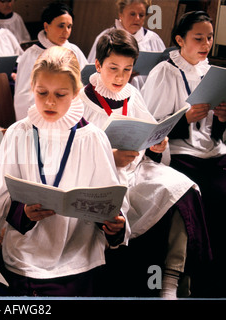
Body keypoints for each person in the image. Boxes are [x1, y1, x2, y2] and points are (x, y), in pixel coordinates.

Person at [0, 46, 130, 297]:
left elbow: (113, 200)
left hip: (79, 253)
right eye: (42, 93)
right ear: (32, 88)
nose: (49, 102)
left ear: (75, 93)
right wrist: (24, 212)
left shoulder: (93, 138)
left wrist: (114, 224)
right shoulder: (19, 133)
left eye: (60, 94)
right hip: (27, 253)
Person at [80, 28, 211, 299]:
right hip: (101, 174)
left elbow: (149, 130)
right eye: (113, 68)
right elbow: (73, 154)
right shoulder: (81, 102)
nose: (119, 77)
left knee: (184, 189)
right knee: (114, 203)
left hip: (137, 168)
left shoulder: (132, 94)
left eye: (127, 70)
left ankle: (171, 279)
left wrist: (156, 145)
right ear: (98, 65)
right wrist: (111, 156)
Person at [141, 11, 226, 297]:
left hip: (212, 152)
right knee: (202, 193)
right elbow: (151, 127)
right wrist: (184, 119)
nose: (206, 44)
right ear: (180, 40)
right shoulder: (165, 71)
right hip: (179, 154)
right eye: (198, 38)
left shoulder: (210, 72)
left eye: (210, 38)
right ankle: (178, 274)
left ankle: (214, 277)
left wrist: (222, 118)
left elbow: (214, 130)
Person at [14, 1, 88, 120]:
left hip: (73, 113)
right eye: (61, 26)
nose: (66, 31)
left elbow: (85, 84)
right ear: (46, 26)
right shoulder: (31, 55)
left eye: (69, 27)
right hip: (45, 112)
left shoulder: (74, 51)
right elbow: (23, 97)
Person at [87, 0, 166, 90]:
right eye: (132, 14)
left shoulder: (153, 39)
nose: (137, 18)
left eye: (141, 15)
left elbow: (163, 74)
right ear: (121, 14)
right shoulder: (105, 38)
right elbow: (91, 73)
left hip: (143, 95)